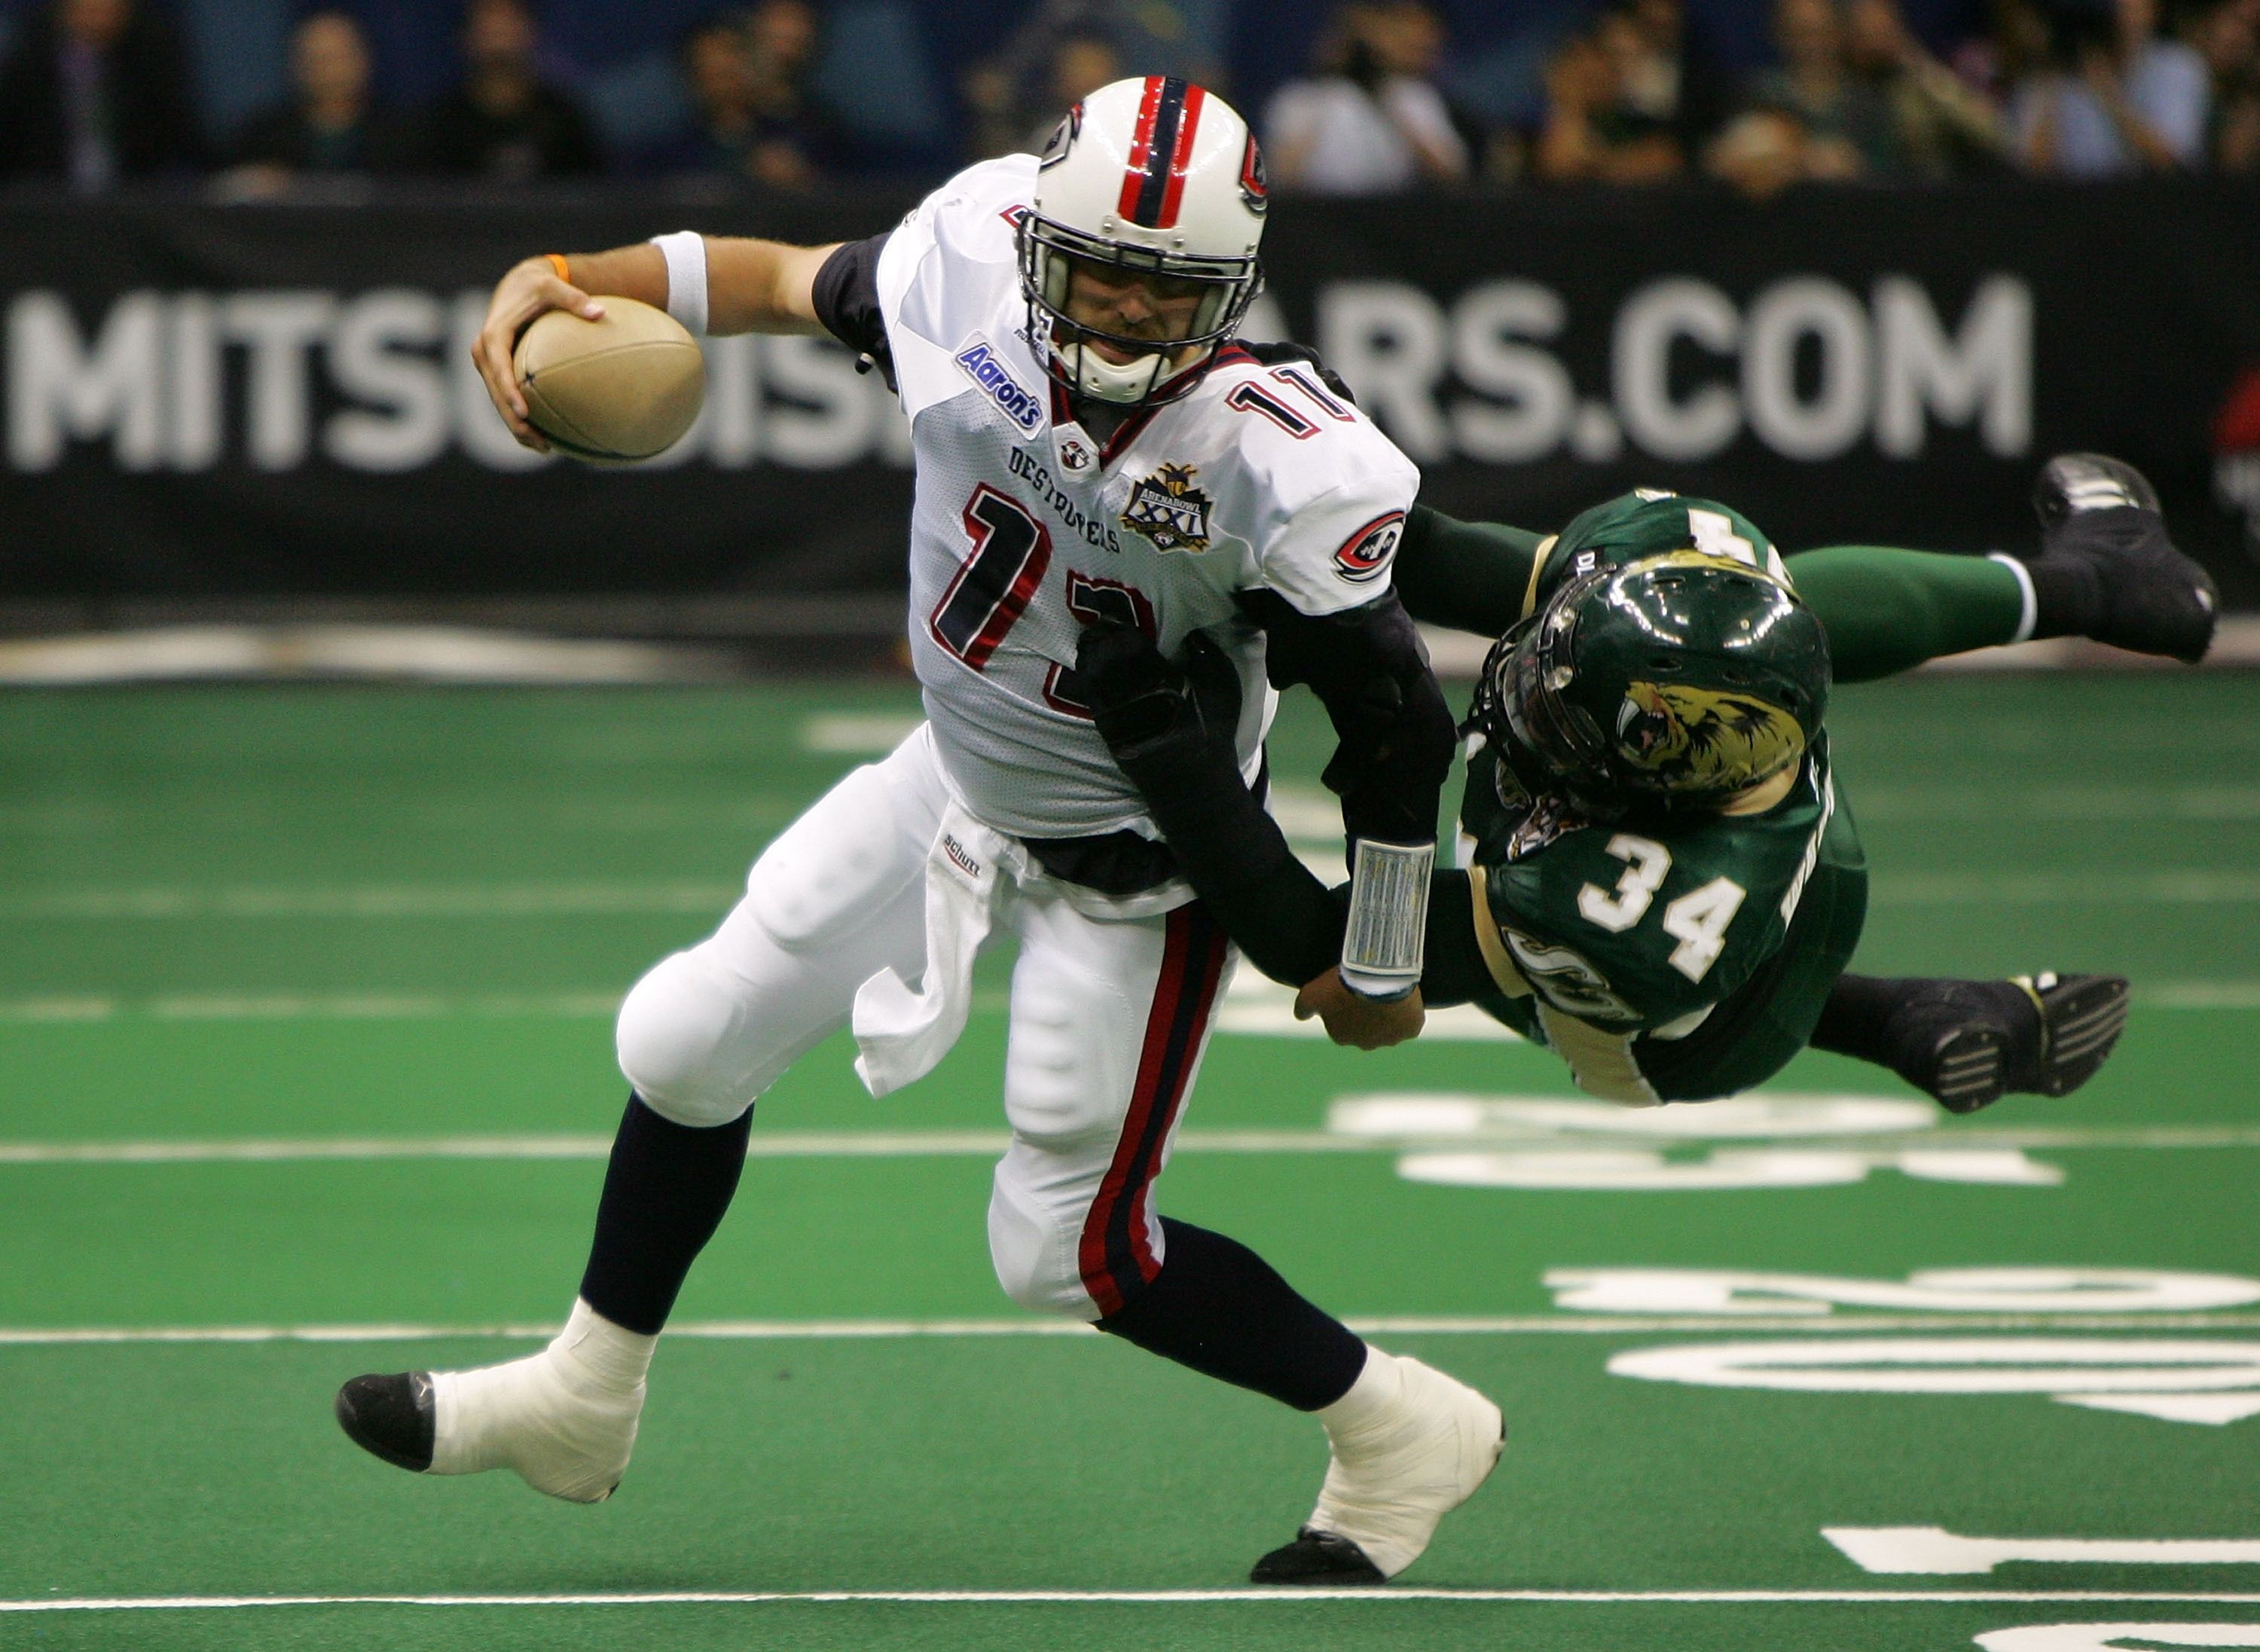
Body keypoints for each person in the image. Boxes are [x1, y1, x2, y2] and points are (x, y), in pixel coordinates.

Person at [334, 78, 1493, 1589]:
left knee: (1065, 1249)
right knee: (683, 1037)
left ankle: (1400, 1422)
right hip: (955, 773)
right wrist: (565, 281)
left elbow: (1400, 718)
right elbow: (762, 281)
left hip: (1141, 866)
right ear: (1034, 244)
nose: (1130, 312)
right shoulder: (960, 258)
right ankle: (582, 1391)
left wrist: (1386, 947)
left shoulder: (1281, 450)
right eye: (1101, 270)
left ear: (1234, 287)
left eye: (1171, 286)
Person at [1070, 447, 2217, 1113]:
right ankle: (2095, 583)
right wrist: (1263, 485)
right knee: (1739, 584)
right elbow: (1443, 554)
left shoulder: (1615, 907)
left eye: (1563, 710)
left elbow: (1340, 965)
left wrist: (1170, 757)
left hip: (1675, 1035)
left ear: (1639, 779)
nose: (1521, 682)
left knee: (1366, 964)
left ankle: (1887, 1014)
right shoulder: (1680, 640)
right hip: (1701, 819)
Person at [1263, 1, 1471, 193]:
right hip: (1313, 213)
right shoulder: (1300, 98)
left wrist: (1385, 101)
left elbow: (1452, 174)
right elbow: (1281, 176)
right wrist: (1328, 84)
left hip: (1391, 212)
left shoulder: (1412, 96)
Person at [0, 0, 202, 189]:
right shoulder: (29, 61)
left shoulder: (151, 57)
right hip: (45, 198)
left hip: (133, 197)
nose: (99, 8)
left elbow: (180, 132)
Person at [400, 0, 600, 181]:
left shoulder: (562, 118)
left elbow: (592, 198)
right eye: (488, 32)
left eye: (507, 31)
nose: (499, 45)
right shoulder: (443, 123)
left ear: (530, 34)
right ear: (467, 38)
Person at [640, 5, 836, 188]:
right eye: (712, 73)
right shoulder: (666, 158)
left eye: (731, 69)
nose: (724, 79)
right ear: (692, 76)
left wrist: (800, 181)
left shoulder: (809, 138)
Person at [2010, 0, 2210, 175]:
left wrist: (2108, 95)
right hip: (2075, 210)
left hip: (2152, 210)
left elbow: (2174, 166)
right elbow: (2032, 172)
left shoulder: (2177, 66)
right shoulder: (2052, 77)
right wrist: (2050, 70)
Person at [222, 9, 401, 194]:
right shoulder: (263, 137)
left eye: (338, 58)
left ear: (363, 60)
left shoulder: (405, 136)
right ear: (296, 66)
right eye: (317, 60)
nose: (329, 72)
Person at [1843, 0, 2010, 178]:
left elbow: (1992, 132)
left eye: (1884, 30)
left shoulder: (1921, 86)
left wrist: (1918, 66)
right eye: (1866, 33)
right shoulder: (1841, 91)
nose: (1876, 40)